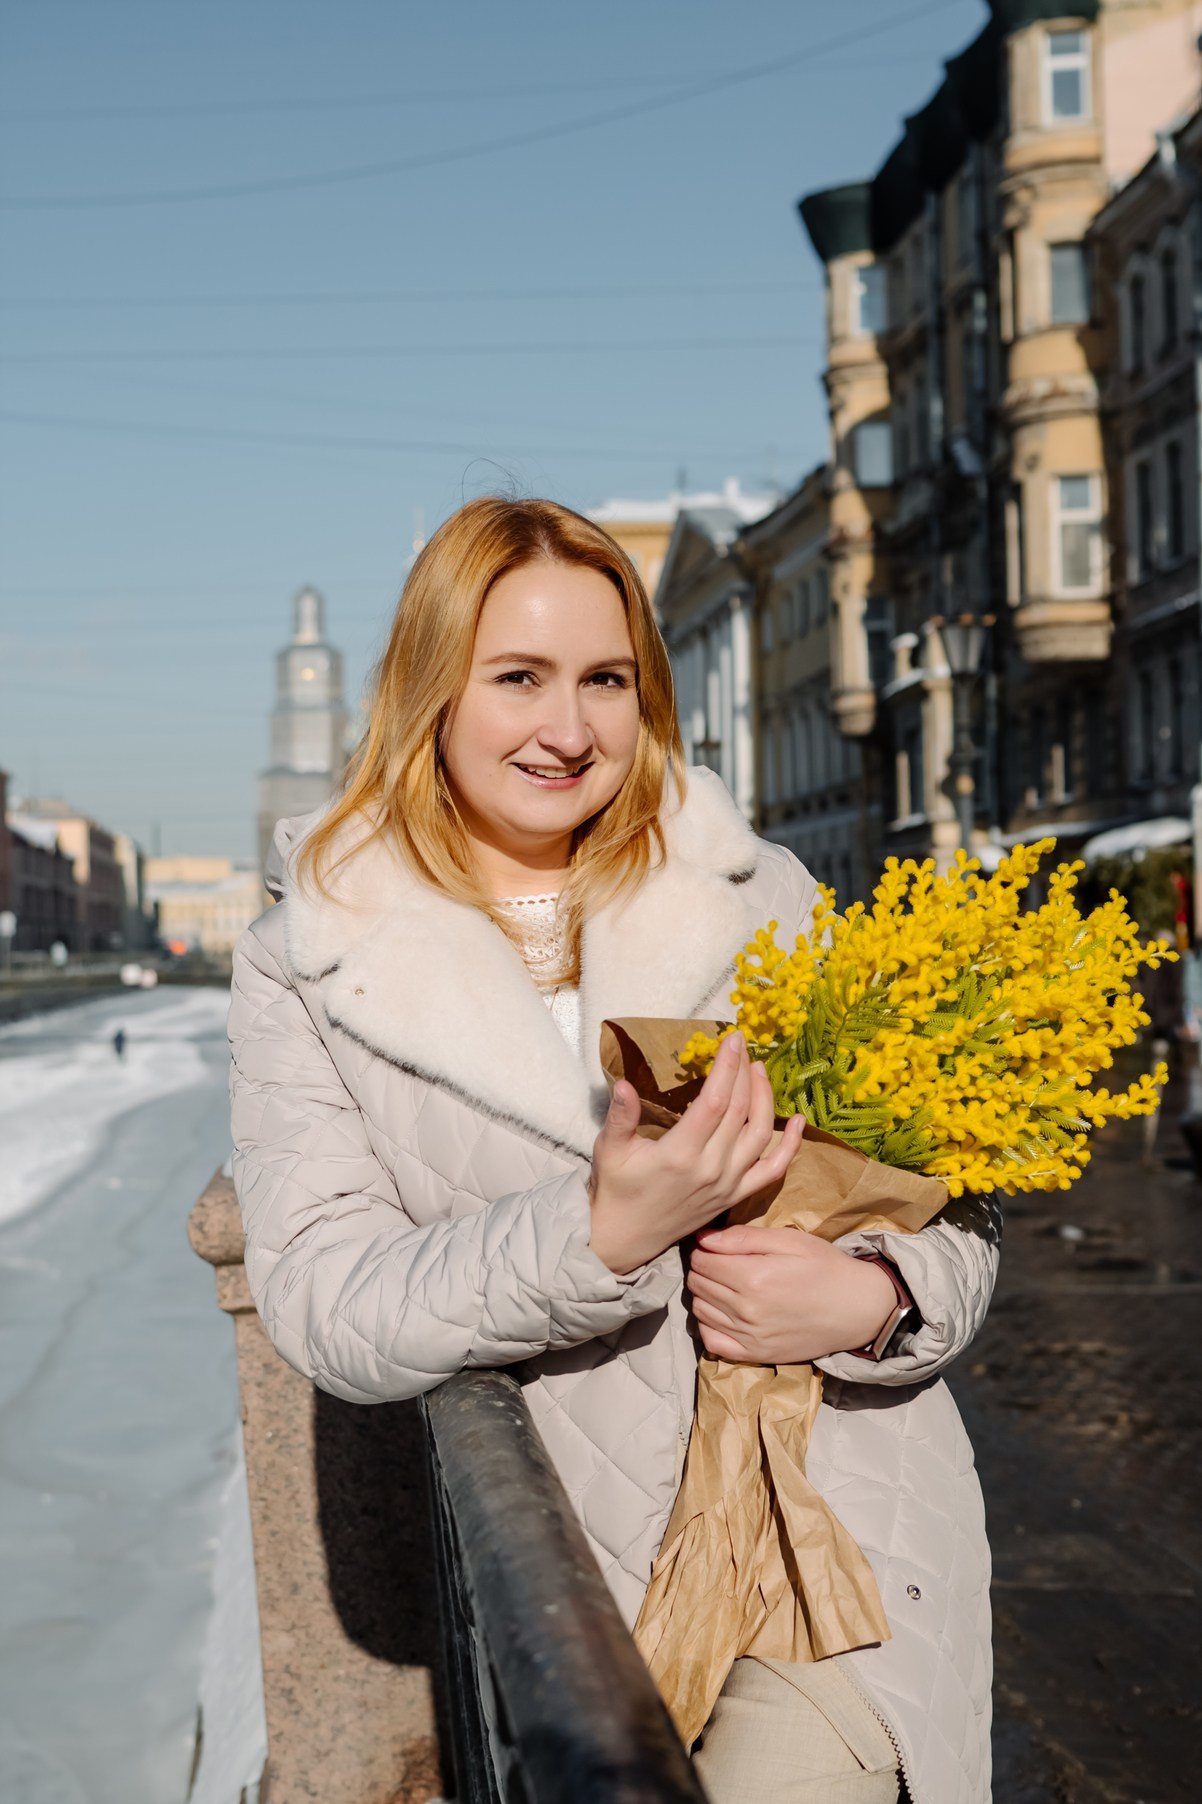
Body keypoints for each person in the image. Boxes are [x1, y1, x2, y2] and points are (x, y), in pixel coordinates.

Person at [228, 497, 997, 1804]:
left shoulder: (759, 897)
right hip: (578, 1580)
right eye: (517, 678)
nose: (569, 730)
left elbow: (957, 1213)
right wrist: (600, 1233)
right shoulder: (308, 956)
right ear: (430, 687)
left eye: (605, 680)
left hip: (827, 1552)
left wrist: (876, 1298)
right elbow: (323, 1301)